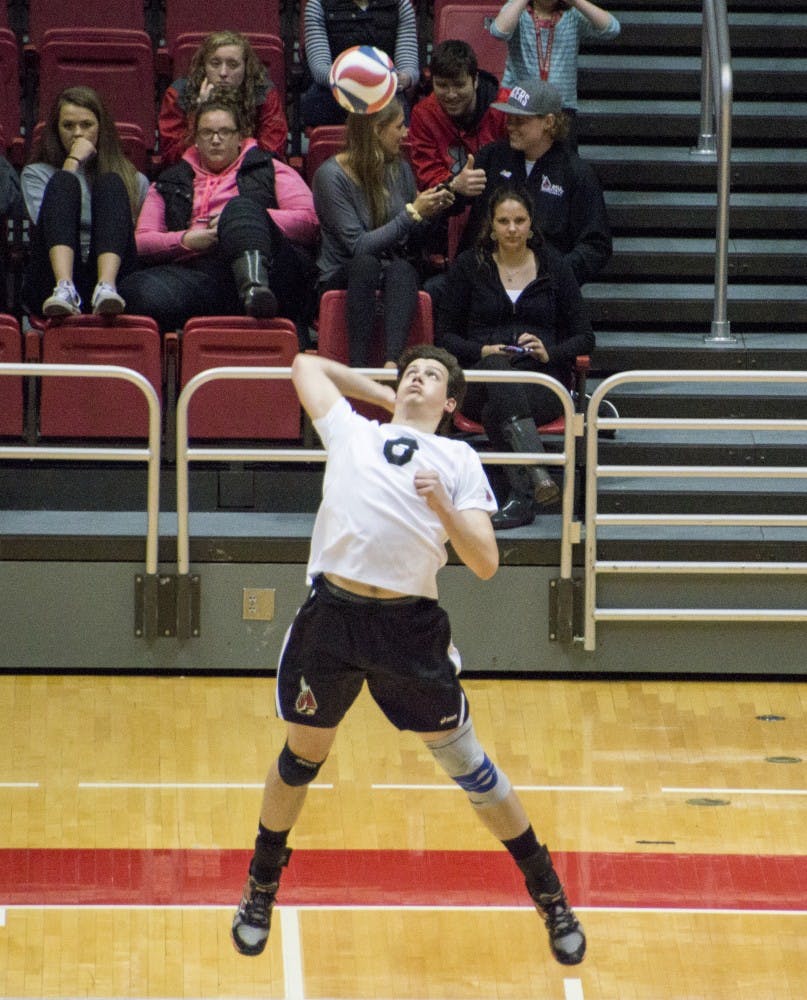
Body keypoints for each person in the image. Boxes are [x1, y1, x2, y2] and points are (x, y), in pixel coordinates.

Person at [230, 343, 587, 968]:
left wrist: (442, 504)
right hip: (332, 620)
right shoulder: (352, 432)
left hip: (409, 629)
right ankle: (261, 884)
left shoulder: (457, 457)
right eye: (410, 373)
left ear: (451, 402)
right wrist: (383, 395)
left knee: (472, 769)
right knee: (299, 759)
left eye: (432, 377)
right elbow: (305, 366)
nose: (418, 379)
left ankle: (549, 892)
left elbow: (484, 563)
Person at [437, 185, 594, 529]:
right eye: (503, 221)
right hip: (478, 381)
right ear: (490, 227)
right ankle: (537, 471)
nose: (512, 228)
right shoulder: (469, 266)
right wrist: (481, 350)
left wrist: (548, 351)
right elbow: (444, 336)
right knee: (495, 368)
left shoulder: (555, 266)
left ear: (531, 225)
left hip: (540, 383)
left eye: (519, 220)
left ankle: (522, 498)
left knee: (499, 409)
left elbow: (585, 338)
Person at [119, 90, 318, 338]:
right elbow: (143, 241)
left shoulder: (270, 168)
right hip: (202, 273)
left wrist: (241, 221)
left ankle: (254, 288)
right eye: (207, 133)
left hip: (271, 270)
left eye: (224, 132)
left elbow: (309, 221)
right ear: (196, 139)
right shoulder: (169, 181)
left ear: (240, 137)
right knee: (133, 290)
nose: (215, 140)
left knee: (239, 207)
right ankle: (247, 297)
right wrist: (187, 240)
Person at [312, 98, 452, 366]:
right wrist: (412, 213)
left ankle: (392, 363)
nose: (405, 133)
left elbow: (411, 235)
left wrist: (434, 210)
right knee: (365, 264)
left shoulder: (399, 168)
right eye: (399, 126)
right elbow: (358, 246)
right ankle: (359, 366)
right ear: (376, 129)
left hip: (391, 271)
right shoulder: (330, 176)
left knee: (402, 268)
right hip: (344, 273)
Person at [458, 78, 611, 288]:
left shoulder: (577, 174)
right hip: (486, 280)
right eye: (509, 118)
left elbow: (596, 245)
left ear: (549, 122)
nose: (510, 126)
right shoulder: (490, 157)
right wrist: (455, 188)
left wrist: (555, 274)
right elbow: (447, 205)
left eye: (520, 120)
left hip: (545, 287)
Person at [20, 86, 149, 318]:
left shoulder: (133, 179)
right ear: (56, 130)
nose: (77, 133)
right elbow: (50, 222)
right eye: (68, 126)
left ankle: (105, 287)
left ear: (101, 129)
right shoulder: (36, 173)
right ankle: (65, 288)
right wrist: (73, 161)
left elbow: (136, 236)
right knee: (61, 182)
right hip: (52, 279)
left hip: (116, 280)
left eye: (86, 125)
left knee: (110, 182)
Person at [158, 30, 288, 166]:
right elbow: (172, 157)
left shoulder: (264, 93)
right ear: (204, 66)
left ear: (246, 67)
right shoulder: (178, 93)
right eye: (215, 64)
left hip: (250, 174)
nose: (223, 73)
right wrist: (198, 114)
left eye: (233, 65)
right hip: (194, 176)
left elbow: (272, 152)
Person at [491, 0, 620, 136]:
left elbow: (612, 29)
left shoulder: (572, 15)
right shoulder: (520, 10)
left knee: (561, 155)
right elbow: (499, 31)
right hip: (521, 105)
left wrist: (576, 2)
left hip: (561, 106)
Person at [408, 39, 508, 194]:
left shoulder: (504, 108)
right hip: (447, 205)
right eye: (442, 85)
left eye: (459, 85)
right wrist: (454, 184)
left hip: (502, 198)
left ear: (475, 81)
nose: (451, 95)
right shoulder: (424, 114)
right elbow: (426, 176)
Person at [301, 0, 420, 127]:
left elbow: (408, 67)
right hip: (333, 92)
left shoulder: (401, 5)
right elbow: (320, 68)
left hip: (384, 92)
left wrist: (403, 79)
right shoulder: (317, 6)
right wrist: (360, 80)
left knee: (397, 118)